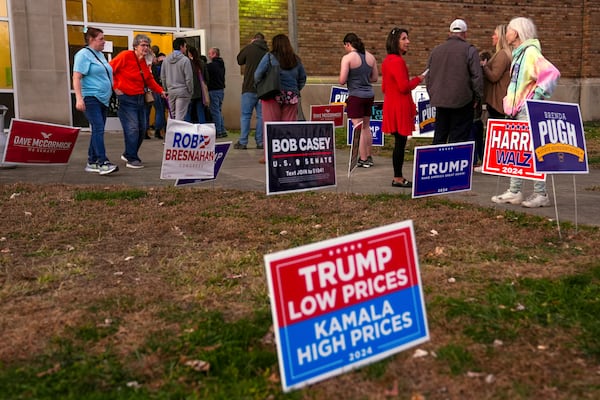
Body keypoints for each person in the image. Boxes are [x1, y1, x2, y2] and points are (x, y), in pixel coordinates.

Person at [491, 17, 560, 208]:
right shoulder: (519, 54)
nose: (507, 33)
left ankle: (540, 193)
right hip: (517, 111)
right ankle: (515, 190)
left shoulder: (530, 52)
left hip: (526, 111)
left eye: (510, 29)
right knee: (516, 150)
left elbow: (551, 73)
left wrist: (535, 98)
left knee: (531, 151)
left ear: (518, 32)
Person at [110, 34, 166, 169]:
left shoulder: (143, 61)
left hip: (140, 98)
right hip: (127, 98)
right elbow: (108, 70)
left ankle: (129, 153)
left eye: (147, 45)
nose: (146, 48)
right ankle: (132, 158)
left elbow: (149, 80)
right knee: (133, 128)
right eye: (143, 45)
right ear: (135, 46)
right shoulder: (125, 56)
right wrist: (115, 87)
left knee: (142, 128)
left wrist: (160, 91)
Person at [426, 18, 483, 144]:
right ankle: (453, 162)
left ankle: (436, 161)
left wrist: (433, 95)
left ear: (449, 33)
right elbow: (477, 77)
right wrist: (477, 98)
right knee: (458, 138)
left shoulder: (436, 50)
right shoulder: (469, 50)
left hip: (440, 101)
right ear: (465, 34)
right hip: (462, 102)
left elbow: (428, 76)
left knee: (440, 135)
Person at [381, 27, 426, 188]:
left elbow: (384, 87)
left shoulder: (387, 61)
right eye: (404, 39)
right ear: (395, 42)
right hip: (399, 106)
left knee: (398, 143)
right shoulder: (398, 61)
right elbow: (403, 87)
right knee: (400, 143)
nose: (408, 42)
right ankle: (398, 177)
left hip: (391, 105)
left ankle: (397, 176)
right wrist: (419, 78)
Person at [72, 27, 118, 175]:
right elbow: (76, 77)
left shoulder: (100, 55)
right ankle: (102, 162)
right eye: (101, 39)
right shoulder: (83, 55)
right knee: (98, 128)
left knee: (97, 130)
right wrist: (79, 98)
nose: (104, 42)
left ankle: (92, 162)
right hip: (90, 98)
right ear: (91, 40)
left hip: (102, 99)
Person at [254, 33, 307, 163]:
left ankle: (269, 156)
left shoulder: (269, 57)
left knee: (271, 126)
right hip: (291, 96)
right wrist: (294, 90)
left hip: (272, 94)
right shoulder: (296, 59)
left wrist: (261, 86)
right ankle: (286, 155)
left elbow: (257, 75)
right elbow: (302, 78)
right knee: (288, 127)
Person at [339, 32, 378, 168]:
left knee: (358, 128)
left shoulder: (347, 58)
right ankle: (369, 156)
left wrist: (352, 76)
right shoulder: (371, 57)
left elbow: (342, 80)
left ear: (348, 44)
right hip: (369, 95)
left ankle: (363, 158)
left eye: (345, 46)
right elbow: (374, 78)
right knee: (366, 127)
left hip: (356, 95)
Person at [235, 32, 269, 150]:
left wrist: (249, 45)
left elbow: (239, 60)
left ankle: (243, 142)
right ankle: (260, 142)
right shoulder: (267, 52)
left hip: (248, 87)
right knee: (261, 116)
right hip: (262, 90)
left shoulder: (249, 48)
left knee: (245, 116)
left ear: (253, 39)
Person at [483, 24, 512, 119]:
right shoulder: (503, 54)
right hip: (498, 101)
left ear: (500, 38)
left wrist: (484, 66)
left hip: (497, 102)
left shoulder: (502, 55)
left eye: (495, 34)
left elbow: (494, 76)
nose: (492, 37)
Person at [161, 38, 193, 121]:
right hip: (183, 91)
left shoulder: (166, 60)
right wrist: (190, 90)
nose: (186, 49)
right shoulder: (185, 60)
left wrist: (166, 89)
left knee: (171, 116)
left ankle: (171, 133)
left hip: (170, 91)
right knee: (180, 116)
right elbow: (189, 78)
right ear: (181, 46)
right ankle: (177, 133)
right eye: (185, 46)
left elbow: (163, 77)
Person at [472, 50, 492, 168]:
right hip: (480, 108)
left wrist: (476, 100)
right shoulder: (483, 72)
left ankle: (476, 158)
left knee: (475, 132)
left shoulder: (478, 72)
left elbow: (477, 87)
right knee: (479, 133)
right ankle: (481, 157)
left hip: (477, 108)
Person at [185, 46, 210, 124]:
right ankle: (202, 130)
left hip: (189, 91)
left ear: (189, 53)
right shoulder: (201, 63)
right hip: (200, 92)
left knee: (187, 112)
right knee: (200, 111)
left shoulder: (186, 63)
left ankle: (188, 130)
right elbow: (207, 78)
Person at [207, 47, 227, 137]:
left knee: (215, 111)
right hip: (220, 90)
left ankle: (218, 131)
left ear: (214, 54)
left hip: (213, 90)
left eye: (210, 53)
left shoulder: (212, 66)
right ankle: (222, 130)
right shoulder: (221, 64)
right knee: (218, 110)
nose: (209, 55)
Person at [150, 51, 167, 138]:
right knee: (160, 110)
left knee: (158, 110)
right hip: (158, 90)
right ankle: (159, 130)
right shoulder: (158, 67)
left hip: (153, 91)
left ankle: (158, 129)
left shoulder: (151, 67)